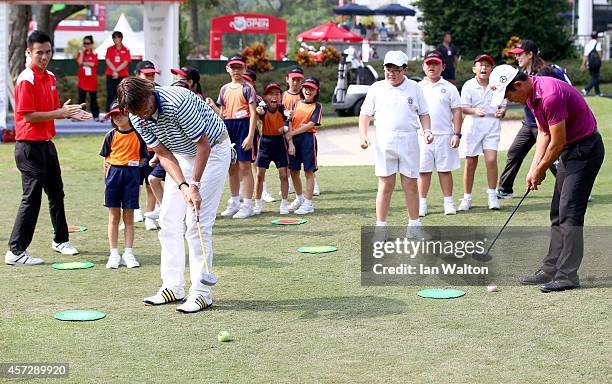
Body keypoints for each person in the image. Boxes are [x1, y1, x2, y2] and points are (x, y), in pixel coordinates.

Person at [117, 77, 231, 313]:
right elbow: (163, 153)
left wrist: (195, 185)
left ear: (150, 92)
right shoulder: (138, 116)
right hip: (181, 155)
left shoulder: (177, 102)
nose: (144, 116)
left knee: (196, 223)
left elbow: (203, 145)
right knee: (168, 219)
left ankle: (201, 292)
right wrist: (182, 185)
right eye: (139, 113)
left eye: (146, 109)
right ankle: (173, 286)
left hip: (214, 151)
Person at [489, 65, 604, 292]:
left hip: (585, 150)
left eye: (508, 94)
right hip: (570, 151)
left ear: (518, 85)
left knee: (570, 211)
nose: (509, 99)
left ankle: (568, 275)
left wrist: (541, 169)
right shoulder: (532, 97)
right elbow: (543, 133)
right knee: (557, 211)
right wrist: (534, 169)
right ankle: (550, 268)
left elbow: (557, 141)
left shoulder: (550, 95)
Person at [5, 30, 91, 266]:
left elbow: (52, 111)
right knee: (31, 199)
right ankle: (15, 251)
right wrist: (60, 112)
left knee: (57, 194)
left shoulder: (50, 76)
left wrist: (68, 112)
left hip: (46, 145)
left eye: (48, 52)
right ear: (28, 53)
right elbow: (29, 116)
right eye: (39, 53)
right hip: (28, 148)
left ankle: (61, 240)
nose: (44, 57)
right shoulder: (26, 79)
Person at [359, 51, 432, 240]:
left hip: (409, 139)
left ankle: (414, 226)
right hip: (385, 140)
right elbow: (365, 114)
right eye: (388, 69)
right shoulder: (377, 88)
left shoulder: (414, 88)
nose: (392, 74)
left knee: (410, 184)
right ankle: (381, 228)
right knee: (385, 184)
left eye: (396, 70)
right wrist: (363, 135)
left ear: (404, 69)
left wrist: (427, 130)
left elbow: (424, 113)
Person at [497, 40, 557, 198]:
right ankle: (505, 189)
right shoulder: (521, 72)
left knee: (551, 158)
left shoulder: (543, 72)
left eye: (519, 54)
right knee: (514, 152)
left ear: (530, 54)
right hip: (528, 122)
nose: (517, 57)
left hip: (543, 123)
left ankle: (575, 189)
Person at [100, 103, 148, 268]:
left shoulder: (139, 135)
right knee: (114, 217)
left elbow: (143, 158)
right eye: (113, 115)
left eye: (120, 114)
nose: (117, 117)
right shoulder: (110, 135)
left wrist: (133, 168)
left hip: (131, 176)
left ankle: (128, 253)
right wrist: (109, 174)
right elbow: (105, 158)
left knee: (129, 217)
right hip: (114, 176)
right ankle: (114, 253)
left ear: (129, 115)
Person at [458, 54, 505, 211]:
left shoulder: (497, 85)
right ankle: (467, 198)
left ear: (492, 69)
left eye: (487, 65)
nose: (484, 68)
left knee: (491, 160)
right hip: (473, 126)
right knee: (470, 162)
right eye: (481, 65)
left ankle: (492, 196)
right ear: (474, 69)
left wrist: (501, 112)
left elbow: (502, 106)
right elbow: (463, 107)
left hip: (492, 125)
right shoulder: (468, 85)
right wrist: (474, 110)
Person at [418, 51, 462, 216]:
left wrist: (456, 134)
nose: (432, 67)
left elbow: (457, 111)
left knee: (445, 170)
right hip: (422, 136)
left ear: (443, 67)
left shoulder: (449, 88)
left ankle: (448, 202)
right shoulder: (417, 88)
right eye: (429, 64)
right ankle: (422, 204)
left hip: (445, 135)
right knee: (423, 171)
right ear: (423, 66)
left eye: (436, 64)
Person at [217, 55, 258, 219]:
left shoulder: (248, 88)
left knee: (245, 167)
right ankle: (234, 202)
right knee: (231, 167)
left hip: (243, 126)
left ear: (245, 69)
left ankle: (247, 205)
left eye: (239, 67)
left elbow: (254, 113)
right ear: (228, 69)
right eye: (233, 67)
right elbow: (221, 113)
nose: (236, 71)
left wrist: (250, 136)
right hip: (228, 127)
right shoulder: (224, 89)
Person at [284, 77, 322, 215]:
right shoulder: (297, 104)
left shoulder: (317, 106)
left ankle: (308, 203)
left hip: (308, 140)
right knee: (293, 171)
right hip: (294, 140)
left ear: (317, 91)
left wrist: (291, 133)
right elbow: (289, 121)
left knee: (308, 171)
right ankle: (299, 198)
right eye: (306, 87)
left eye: (311, 88)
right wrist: (290, 142)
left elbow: (310, 125)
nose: (308, 90)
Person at [253, 82, 291, 215]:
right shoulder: (263, 108)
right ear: (265, 96)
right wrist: (259, 111)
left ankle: (284, 204)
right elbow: (260, 113)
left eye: (277, 94)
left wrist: (288, 117)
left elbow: (286, 114)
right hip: (265, 143)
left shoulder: (281, 108)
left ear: (281, 96)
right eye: (271, 94)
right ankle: (258, 204)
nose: (274, 96)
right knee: (259, 175)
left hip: (279, 143)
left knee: (283, 175)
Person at [135, 60, 163, 230]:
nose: (150, 78)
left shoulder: (158, 92)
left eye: (152, 75)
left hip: (155, 147)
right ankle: (134, 211)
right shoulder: (129, 92)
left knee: (150, 182)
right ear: (138, 75)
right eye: (147, 75)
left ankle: (150, 216)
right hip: (136, 147)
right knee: (133, 181)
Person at [242, 69, 275, 204]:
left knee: (256, 164)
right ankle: (239, 194)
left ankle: (263, 192)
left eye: (247, 80)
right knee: (240, 165)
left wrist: (261, 113)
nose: (244, 82)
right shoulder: (236, 92)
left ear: (253, 82)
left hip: (252, 133)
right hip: (238, 132)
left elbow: (265, 117)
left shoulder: (258, 99)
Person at [105, 31, 131, 113]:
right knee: (110, 93)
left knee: (122, 94)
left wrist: (116, 71)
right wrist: (114, 71)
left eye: (118, 37)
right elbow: (108, 60)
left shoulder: (126, 49)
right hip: (111, 74)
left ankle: (122, 112)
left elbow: (126, 62)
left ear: (121, 38)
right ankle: (108, 112)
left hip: (122, 75)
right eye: (114, 37)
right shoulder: (109, 49)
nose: (116, 39)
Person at [76, 35, 99, 121]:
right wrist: (82, 53)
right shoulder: (80, 53)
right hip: (82, 80)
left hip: (92, 81)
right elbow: (79, 62)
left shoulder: (95, 54)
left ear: (91, 44)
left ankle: (96, 116)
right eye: (84, 43)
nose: (86, 45)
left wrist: (85, 63)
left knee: (93, 99)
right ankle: (80, 116)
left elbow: (93, 64)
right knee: (81, 99)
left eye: (88, 43)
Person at [581, 31, 602, 97]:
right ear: (597, 37)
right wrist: (600, 61)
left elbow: (585, 56)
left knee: (594, 77)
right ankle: (586, 89)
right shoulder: (597, 44)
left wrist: (583, 65)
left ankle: (597, 93)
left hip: (590, 63)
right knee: (595, 78)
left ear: (591, 36)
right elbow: (599, 53)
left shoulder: (587, 45)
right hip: (596, 63)